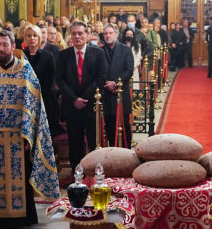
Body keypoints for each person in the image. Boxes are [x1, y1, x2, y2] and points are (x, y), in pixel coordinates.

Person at [0, 30, 59, 228]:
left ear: (13, 46)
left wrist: (29, 137)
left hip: (19, 138)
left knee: (21, 178)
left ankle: (23, 218)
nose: (1, 48)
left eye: (5, 45)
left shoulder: (25, 71)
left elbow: (34, 106)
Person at [56, 20, 108, 170]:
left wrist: (84, 98)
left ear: (87, 35)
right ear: (70, 36)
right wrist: (74, 99)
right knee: (75, 143)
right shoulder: (63, 55)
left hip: (91, 104)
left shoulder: (98, 53)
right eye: (74, 33)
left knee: (93, 141)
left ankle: (93, 173)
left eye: (80, 33)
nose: (77, 36)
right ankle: (76, 174)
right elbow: (59, 79)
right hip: (72, 106)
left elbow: (101, 77)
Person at [100, 23, 134, 147]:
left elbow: (129, 70)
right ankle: (113, 154)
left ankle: (127, 153)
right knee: (109, 126)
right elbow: (98, 71)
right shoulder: (100, 51)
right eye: (105, 33)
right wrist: (107, 84)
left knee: (124, 125)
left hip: (121, 93)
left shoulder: (126, 49)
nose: (108, 36)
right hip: (107, 93)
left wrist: (115, 83)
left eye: (110, 33)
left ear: (116, 34)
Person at [23, 23, 59, 138]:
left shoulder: (48, 56)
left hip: (44, 99)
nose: (32, 38)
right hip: (25, 100)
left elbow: (50, 80)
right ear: (25, 38)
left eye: (34, 35)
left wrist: (39, 96)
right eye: (29, 36)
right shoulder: (20, 56)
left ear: (39, 38)